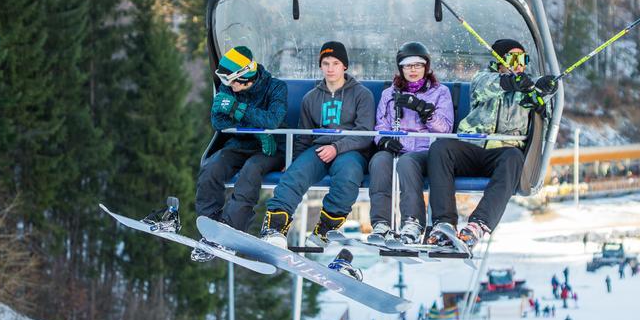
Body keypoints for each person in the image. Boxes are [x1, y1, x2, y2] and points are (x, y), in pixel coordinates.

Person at [426, 38, 557, 250]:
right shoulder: (484, 79)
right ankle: (443, 222)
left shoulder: (527, 90)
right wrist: (512, 82)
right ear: (499, 61)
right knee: (441, 148)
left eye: (523, 59)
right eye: (513, 58)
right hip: (473, 148)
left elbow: (544, 115)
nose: (519, 64)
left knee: (514, 157)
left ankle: (479, 224)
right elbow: (486, 88)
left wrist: (542, 100)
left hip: (502, 155)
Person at [259, 41, 375, 253]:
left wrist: (337, 148)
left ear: (344, 66)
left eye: (336, 63)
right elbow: (304, 135)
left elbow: (365, 133)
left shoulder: (361, 95)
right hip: (319, 149)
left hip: (351, 151)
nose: (330, 68)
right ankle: (275, 228)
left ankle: (325, 229)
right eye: (326, 63)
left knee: (348, 176)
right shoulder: (311, 98)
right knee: (294, 176)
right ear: (320, 66)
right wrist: (293, 161)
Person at [189, 46, 287, 261]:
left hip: (271, 148)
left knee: (251, 171)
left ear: (244, 77)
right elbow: (218, 120)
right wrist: (254, 125)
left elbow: (272, 120)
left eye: (232, 81)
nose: (229, 86)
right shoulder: (229, 89)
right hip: (239, 144)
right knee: (212, 168)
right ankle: (212, 230)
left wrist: (236, 110)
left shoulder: (276, 88)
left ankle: (232, 231)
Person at [367, 42, 454, 244]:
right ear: (401, 69)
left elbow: (446, 129)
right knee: (379, 160)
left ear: (426, 67)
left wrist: (425, 111)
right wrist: (385, 141)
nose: (412, 70)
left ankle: (412, 221)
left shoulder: (440, 93)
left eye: (417, 65)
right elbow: (380, 125)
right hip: (398, 147)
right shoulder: (389, 94)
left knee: (407, 163)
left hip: (426, 151)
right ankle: (382, 223)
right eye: (407, 66)